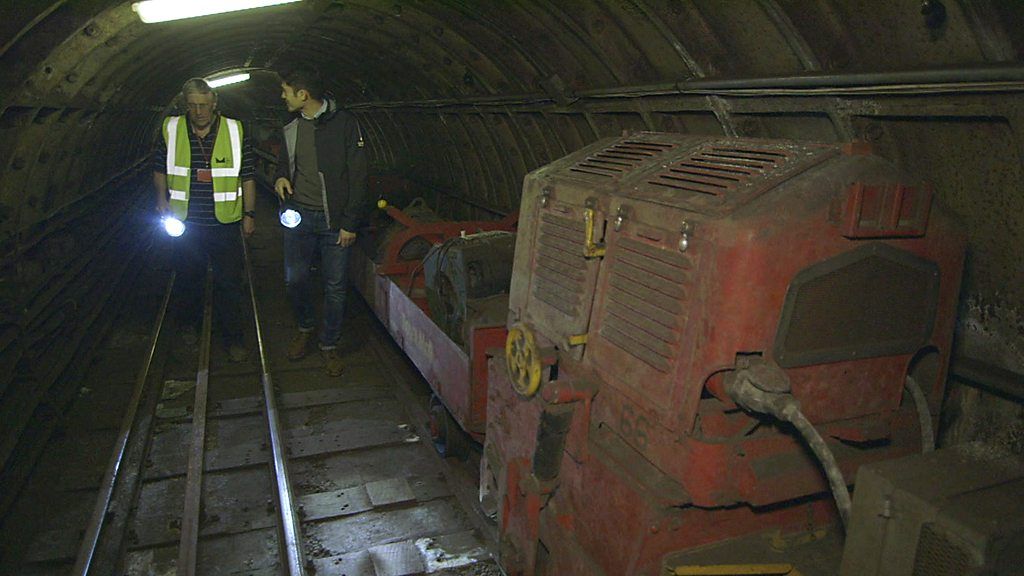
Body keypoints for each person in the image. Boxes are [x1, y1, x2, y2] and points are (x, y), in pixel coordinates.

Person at [274, 65, 368, 376]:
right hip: (299, 216)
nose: (283, 96)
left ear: (304, 95)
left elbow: (358, 175)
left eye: (287, 91)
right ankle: (305, 327)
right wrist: (279, 178)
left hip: (334, 221)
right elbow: (282, 164)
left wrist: (350, 223)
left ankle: (329, 344)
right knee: (294, 279)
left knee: (335, 287)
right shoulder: (290, 126)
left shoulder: (344, 124)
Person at [153, 78, 256, 362]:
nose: (198, 111)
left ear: (214, 103)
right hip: (186, 221)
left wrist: (249, 214)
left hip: (223, 223)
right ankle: (190, 327)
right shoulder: (172, 129)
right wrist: (161, 200)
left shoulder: (235, 130)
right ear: (186, 105)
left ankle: (234, 338)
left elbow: (247, 175)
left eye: (203, 105)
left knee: (229, 284)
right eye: (193, 105)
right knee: (188, 278)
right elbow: (159, 168)